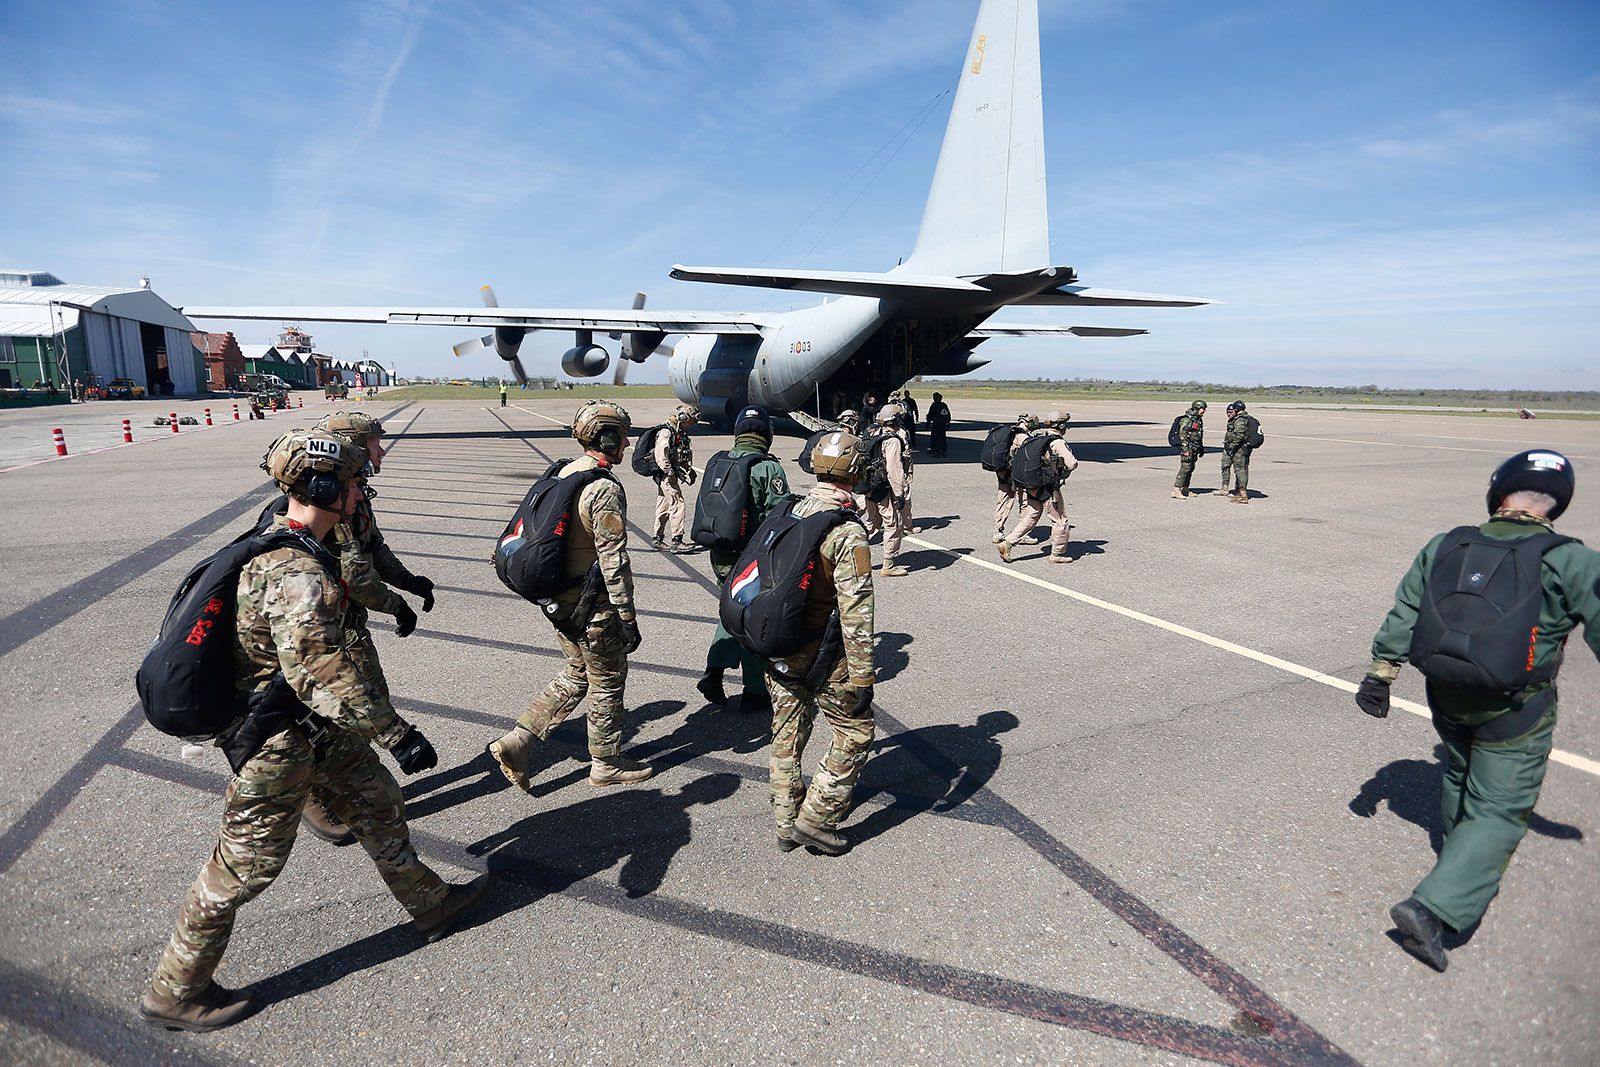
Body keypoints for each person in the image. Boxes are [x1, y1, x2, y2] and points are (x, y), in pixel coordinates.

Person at [141, 432, 487, 1032]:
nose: (361, 492)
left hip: (309, 728)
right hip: (274, 741)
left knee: (376, 799)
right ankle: (177, 989)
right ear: (326, 488)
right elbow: (321, 668)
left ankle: (430, 903)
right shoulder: (296, 570)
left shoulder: (290, 539)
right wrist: (395, 731)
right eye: (353, 483)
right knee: (243, 868)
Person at [1357, 450, 1599, 972]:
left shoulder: (1447, 543)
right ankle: (1436, 906)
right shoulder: (1572, 559)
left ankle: (1456, 861)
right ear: (1557, 503)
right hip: (1514, 708)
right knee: (1500, 807)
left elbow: (1407, 609)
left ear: (1500, 491)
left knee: (1461, 772)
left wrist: (1380, 674)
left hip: (1444, 692)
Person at [489, 400, 653, 790]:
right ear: (607, 437)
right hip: (591, 607)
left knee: (578, 671)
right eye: (623, 435)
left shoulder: (563, 472)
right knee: (608, 681)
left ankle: (519, 740)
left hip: (558, 602)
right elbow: (614, 561)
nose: (628, 444)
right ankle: (606, 763)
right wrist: (627, 616)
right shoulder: (601, 488)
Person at [292, 410, 436, 844]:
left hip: (346, 618)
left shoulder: (352, 492)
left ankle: (338, 789)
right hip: (331, 626)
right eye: (376, 441)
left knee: (359, 708)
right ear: (353, 446)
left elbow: (374, 548)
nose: (382, 449)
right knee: (358, 707)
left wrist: (409, 581)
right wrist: (398, 606)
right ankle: (316, 796)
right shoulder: (327, 498)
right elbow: (356, 575)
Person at [766, 430, 876, 855]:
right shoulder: (846, 531)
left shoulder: (789, 509)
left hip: (778, 643)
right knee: (855, 732)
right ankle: (816, 819)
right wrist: (863, 676)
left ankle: (784, 820)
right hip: (822, 653)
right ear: (857, 471)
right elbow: (857, 611)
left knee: (787, 732)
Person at [697, 405, 790, 715]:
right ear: (767, 434)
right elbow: (780, 515)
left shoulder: (719, 461)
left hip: (720, 553)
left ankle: (714, 669)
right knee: (752, 619)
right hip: (750, 558)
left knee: (730, 609)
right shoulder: (768, 468)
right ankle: (755, 691)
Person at [997, 411, 1078, 564]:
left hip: (1032, 485)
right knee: (1060, 520)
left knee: (1032, 515)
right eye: (1065, 424)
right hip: (1047, 487)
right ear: (1060, 425)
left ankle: (1008, 542)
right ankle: (1057, 554)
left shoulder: (1038, 438)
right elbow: (1072, 463)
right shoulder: (1057, 442)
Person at [868, 405, 912, 577]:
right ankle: (888, 565)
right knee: (893, 524)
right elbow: (894, 469)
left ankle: (852, 555)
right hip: (884, 488)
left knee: (872, 523)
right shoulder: (893, 440)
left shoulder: (873, 433)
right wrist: (899, 494)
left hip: (870, 486)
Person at [652, 404, 699, 552]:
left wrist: (689, 470)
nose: (691, 425)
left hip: (669, 474)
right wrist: (670, 473)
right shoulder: (667, 432)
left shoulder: (679, 432)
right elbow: (661, 456)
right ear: (683, 418)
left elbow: (681, 453)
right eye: (690, 422)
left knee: (664, 506)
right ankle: (677, 541)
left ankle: (657, 538)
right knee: (678, 504)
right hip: (666, 475)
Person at [993, 413, 1038, 542]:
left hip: (1002, 470)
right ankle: (1022, 534)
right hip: (1015, 473)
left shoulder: (1009, 433)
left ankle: (997, 531)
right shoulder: (1022, 436)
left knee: (1002, 500)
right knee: (1024, 501)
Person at [1171, 400, 1207, 499]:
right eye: (1202, 409)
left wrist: (1201, 447)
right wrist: (1185, 449)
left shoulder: (1197, 419)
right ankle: (1176, 489)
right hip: (1187, 448)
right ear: (1196, 408)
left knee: (1191, 468)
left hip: (1194, 448)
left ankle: (1185, 488)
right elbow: (1182, 435)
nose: (1204, 411)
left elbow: (1199, 434)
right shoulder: (1187, 420)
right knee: (1185, 468)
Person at [1220, 400, 1253, 503]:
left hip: (1239, 449)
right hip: (1239, 447)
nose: (1229, 412)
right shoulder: (1240, 419)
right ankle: (1238, 492)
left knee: (1240, 470)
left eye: (1232, 410)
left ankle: (1242, 495)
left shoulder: (1240, 420)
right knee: (1239, 469)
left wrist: (1232, 446)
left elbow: (1239, 435)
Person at [926, 392, 951, 457]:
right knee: (941, 438)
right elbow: (947, 415)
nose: (934, 399)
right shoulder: (943, 405)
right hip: (941, 424)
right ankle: (940, 450)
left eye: (935, 397)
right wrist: (947, 423)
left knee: (936, 438)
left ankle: (937, 451)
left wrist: (927, 424)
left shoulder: (935, 405)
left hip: (937, 424)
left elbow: (930, 415)